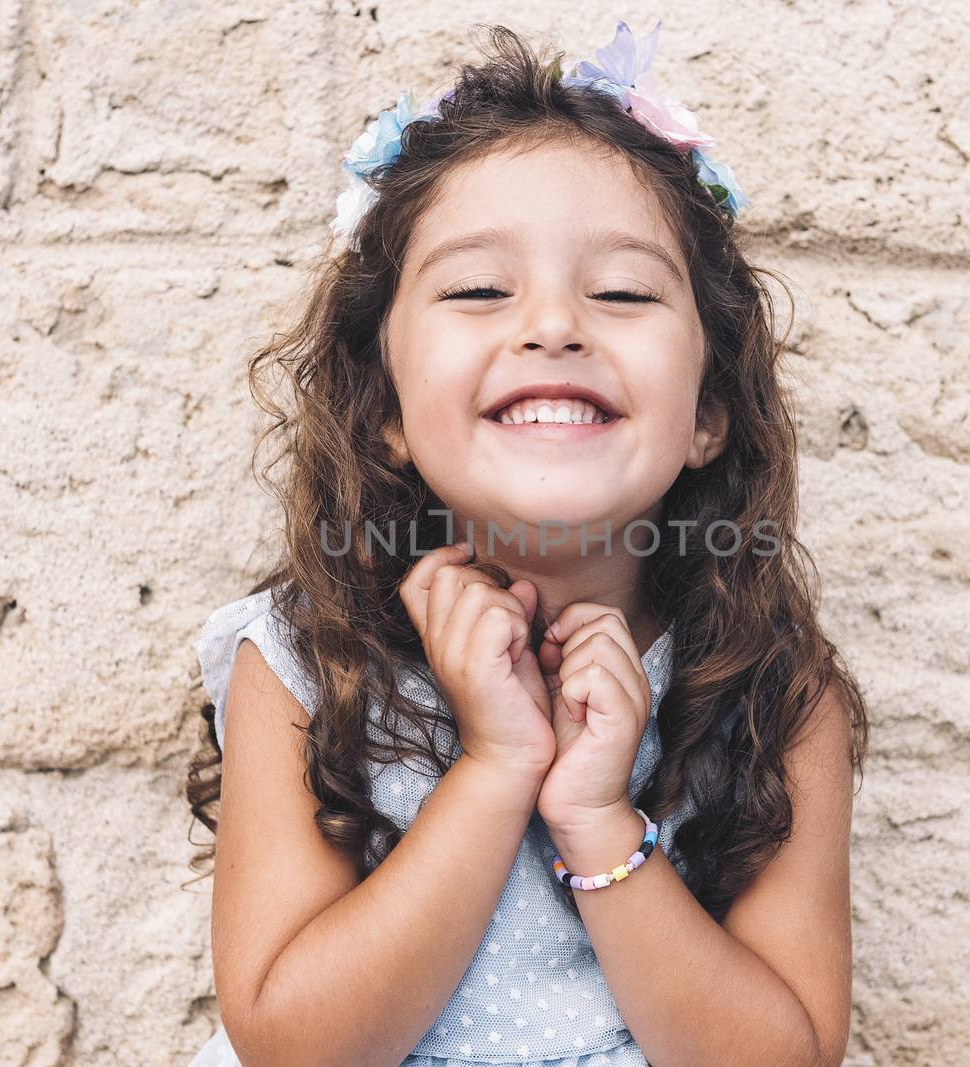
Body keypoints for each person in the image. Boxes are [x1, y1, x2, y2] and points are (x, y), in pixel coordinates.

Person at [184, 19, 870, 1067]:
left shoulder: (771, 688)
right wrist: (498, 765)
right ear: (386, 407)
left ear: (709, 409)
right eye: (477, 290)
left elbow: (784, 1053)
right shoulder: (304, 661)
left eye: (624, 292)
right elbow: (293, 1042)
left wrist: (596, 816)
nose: (553, 324)